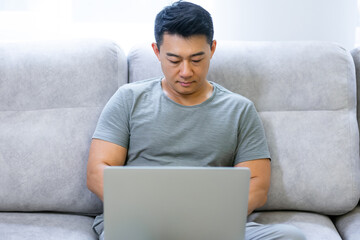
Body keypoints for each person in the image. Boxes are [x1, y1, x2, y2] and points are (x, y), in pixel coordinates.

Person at [87, 1, 306, 240]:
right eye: (174, 60)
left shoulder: (240, 110)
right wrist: (151, 215)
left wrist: (205, 220)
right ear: (157, 51)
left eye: (196, 59)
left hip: (214, 226)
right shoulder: (128, 99)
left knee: (290, 236)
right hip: (139, 226)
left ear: (212, 49)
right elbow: (98, 173)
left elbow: (257, 185)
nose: (185, 72)